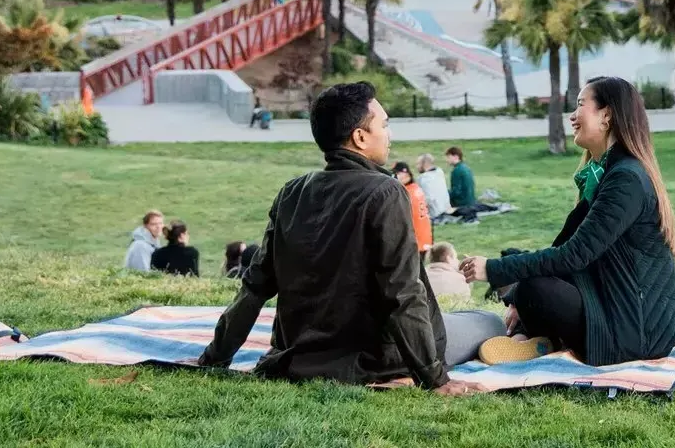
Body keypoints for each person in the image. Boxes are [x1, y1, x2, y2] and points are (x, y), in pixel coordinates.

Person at [198, 82, 473, 393]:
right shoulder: (386, 192)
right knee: (482, 322)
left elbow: (255, 286)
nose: (389, 134)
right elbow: (402, 292)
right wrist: (434, 379)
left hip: (296, 357)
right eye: (384, 124)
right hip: (372, 360)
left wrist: (214, 358)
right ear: (359, 137)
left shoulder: (292, 191)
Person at [460, 77, 675, 369]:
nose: (572, 115)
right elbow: (564, 248)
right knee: (524, 271)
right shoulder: (604, 174)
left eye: (581, 105)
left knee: (534, 284)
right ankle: (536, 339)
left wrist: (491, 269)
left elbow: (574, 255)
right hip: (614, 303)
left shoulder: (625, 179)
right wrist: (516, 292)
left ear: (606, 115)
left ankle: (537, 340)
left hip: (640, 330)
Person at [394, 162, 434, 259]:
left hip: (415, 240)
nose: (395, 177)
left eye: (397, 174)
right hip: (425, 236)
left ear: (406, 174)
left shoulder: (405, 193)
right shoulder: (416, 188)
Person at [445, 146, 481, 220]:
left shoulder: (456, 171)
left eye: (449, 157)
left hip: (462, 203)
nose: (447, 160)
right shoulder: (466, 168)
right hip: (471, 201)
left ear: (455, 157)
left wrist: (445, 195)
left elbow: (456, 192)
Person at [415, 153, 452, 218]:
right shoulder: (439, 172)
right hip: (447, 210)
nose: (417, 166)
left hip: (435, 214)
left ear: (425, 164)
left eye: (418, 164)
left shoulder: (424, 179)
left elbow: (427, 200)